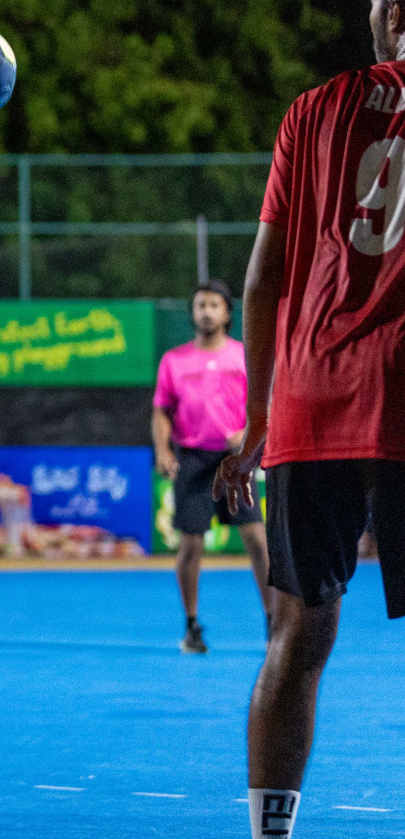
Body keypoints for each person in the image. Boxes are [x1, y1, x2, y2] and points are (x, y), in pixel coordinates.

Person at [211, 0, 405, 839]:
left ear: (390, 12)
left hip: (317, 406)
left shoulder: (315, 114)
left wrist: (254, 422)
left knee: (296, 639)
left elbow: (262, 281)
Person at [151, 280, 273, 653]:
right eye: (200, 305)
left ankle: (274, 623)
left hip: (235, 462)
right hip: (192, 461)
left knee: (257, 540)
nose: (206, 311)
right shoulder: (174, 360)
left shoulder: (244, 355)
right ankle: (191, 627)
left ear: (228, 313)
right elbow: (161, 411)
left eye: (214, 305)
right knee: (190, 546)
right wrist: (162, 450)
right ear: (192, 312)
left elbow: (264, 403)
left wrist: (248, 432)